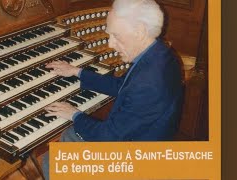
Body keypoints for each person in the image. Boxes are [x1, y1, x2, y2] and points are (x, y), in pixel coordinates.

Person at [42, 0, 183, 179]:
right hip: (149, 137)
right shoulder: (159, 53)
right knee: (70, 135)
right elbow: (122, 86)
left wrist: (74, 114)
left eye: (116, 36)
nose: (110, 44)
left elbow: (108, 137)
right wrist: (77, 72)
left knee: (52, 161)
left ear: (139, 32)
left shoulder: (149, 81)